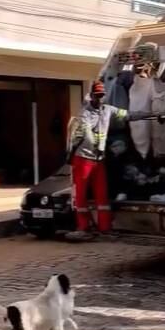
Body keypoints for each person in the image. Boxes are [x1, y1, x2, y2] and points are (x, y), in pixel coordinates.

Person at [67, 80, 147, 240]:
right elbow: (87, 133)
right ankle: (84, 228)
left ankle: (105, 228)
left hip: (98, 159)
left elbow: (126, 114)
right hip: (84, 159)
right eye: (98, 96)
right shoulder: (85, 113)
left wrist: (149, 115)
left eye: (102, 95)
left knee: (102, 195)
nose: (100, 99)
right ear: (92, 96)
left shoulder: (108, 110)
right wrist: (98, 147)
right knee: (81, 195)